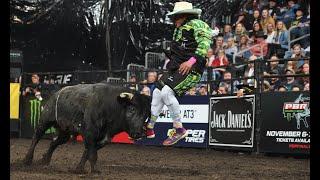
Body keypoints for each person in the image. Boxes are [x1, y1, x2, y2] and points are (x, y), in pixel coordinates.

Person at [145, 1, 212, 146]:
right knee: (157, 92)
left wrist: (190, 61)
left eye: (176, 17)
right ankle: (149, 128)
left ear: (183, 15)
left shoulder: (198, 24)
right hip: (176, 67)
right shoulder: (178, 29)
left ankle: (179, 129)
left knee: (166, 93)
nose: (173, 20)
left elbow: (204, 45)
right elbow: (181, 49)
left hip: (192, 69)